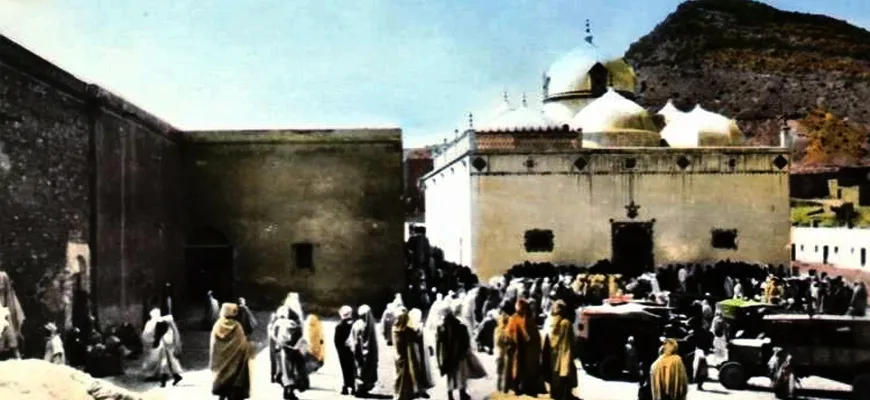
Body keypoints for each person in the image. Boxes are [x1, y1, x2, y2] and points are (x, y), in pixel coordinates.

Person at [210, 303, 254, 400]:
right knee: (234, 381)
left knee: (222, 380)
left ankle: (222, 395)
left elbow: (214, 343)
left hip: (221, 359)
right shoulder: (237, 326)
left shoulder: (217, 325)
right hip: (235, 360)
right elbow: (242, 341)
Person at [506, 298, 544, 396]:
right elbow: (510, 333)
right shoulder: (515, 318)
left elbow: (533, 336)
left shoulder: (527, 319)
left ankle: (523, 387)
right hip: (518, 347)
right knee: (517, 368)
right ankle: (516, 387)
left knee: (524, 368)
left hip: (527, 349)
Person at [542, 300, 577, 400]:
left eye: (556, 307)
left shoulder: (554, 321)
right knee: (563, 374)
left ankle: (557, 394)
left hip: (556, 353)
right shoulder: (565, 323)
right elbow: (570, 341)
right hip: (561, 353)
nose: (554, 308)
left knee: (557, 375)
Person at [436, 305, 472, 400]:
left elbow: (438, 345)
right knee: (460, 375)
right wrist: (465, 352)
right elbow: (466, 342)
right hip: (459, 355)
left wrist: (439, 359)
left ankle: (451, 395)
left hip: (447, 356)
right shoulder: (460, 326)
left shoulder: (441, 327)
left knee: (450, 376)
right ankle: (462, 394)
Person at [272, 310, 309, 400]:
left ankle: (287, 392)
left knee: (286, 373)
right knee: (290, 373)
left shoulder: (281, 325)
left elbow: (275, 336)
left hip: (284, 351)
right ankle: (290, 392)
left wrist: (280, 345)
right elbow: (300, 344)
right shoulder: (295, 328)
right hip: (290, 353)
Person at [348, 304, 379, 396]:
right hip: (364, 352)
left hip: (360, 352)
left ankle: (362, 388)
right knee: (363, 370)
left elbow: (351, 339)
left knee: (361, 370)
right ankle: (361, 389)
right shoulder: (367, 325)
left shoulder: (358, 324)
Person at [408, 308, 435, 399]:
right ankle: (415, 390)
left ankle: (422, 390)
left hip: (422, 351)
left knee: (422, 369)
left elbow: (426, 338)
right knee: (415, 369)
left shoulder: (420, 326)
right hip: (414, 351)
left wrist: (430, 346)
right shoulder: (409, 328)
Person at [153, 316, 184, 387]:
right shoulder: (169, 330)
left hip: (169, 350)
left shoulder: (170, 331)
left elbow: (169, 341)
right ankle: (175, 377)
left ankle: (165, 382)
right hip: (166, 350)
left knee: (166, 365)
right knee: (167, 365)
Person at [0, 272, 24, 356]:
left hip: (4, 310)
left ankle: (17, 355)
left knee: (10, 332)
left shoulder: (3, 276)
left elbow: (9, 295)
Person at [334, 306, 356, 396]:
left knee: (345, 369)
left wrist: (340, 350)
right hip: (353, 350)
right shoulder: (354, 324)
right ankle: (353, 386)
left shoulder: (339, 326)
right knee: (353, 368)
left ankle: (346, 386)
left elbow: (336, 341)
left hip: (343, 351)